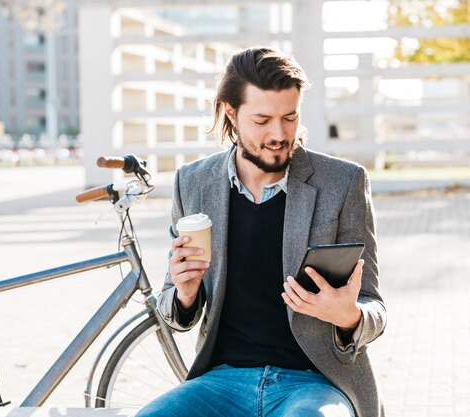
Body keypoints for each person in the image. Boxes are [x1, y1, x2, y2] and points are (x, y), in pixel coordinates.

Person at [136, 46, 386, 417]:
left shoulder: (343, 182)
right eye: (262, 119)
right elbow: (174, 311)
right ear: (230, 113)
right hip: (221, 382)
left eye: (289, 117)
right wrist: (185, 294)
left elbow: (373, 307)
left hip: (315, 383)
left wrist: (348, 316)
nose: (279, 134)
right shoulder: (193, 183)